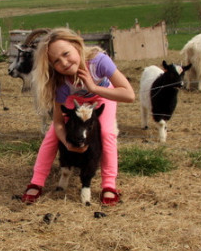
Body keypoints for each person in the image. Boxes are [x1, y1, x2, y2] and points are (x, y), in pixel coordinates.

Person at [22, 27, 135, 205]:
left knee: (106, 132)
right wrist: (67, 143)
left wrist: (94, 88)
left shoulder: (99, 62)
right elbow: (58, 121)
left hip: (102, 95)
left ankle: (108, 184)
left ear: (76, 45)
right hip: (74, 100)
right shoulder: (61, 82)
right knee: (52, 134)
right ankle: (37, 181)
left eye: (66, 53)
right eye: (57, 61)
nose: (64, 63)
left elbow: (129, 95)